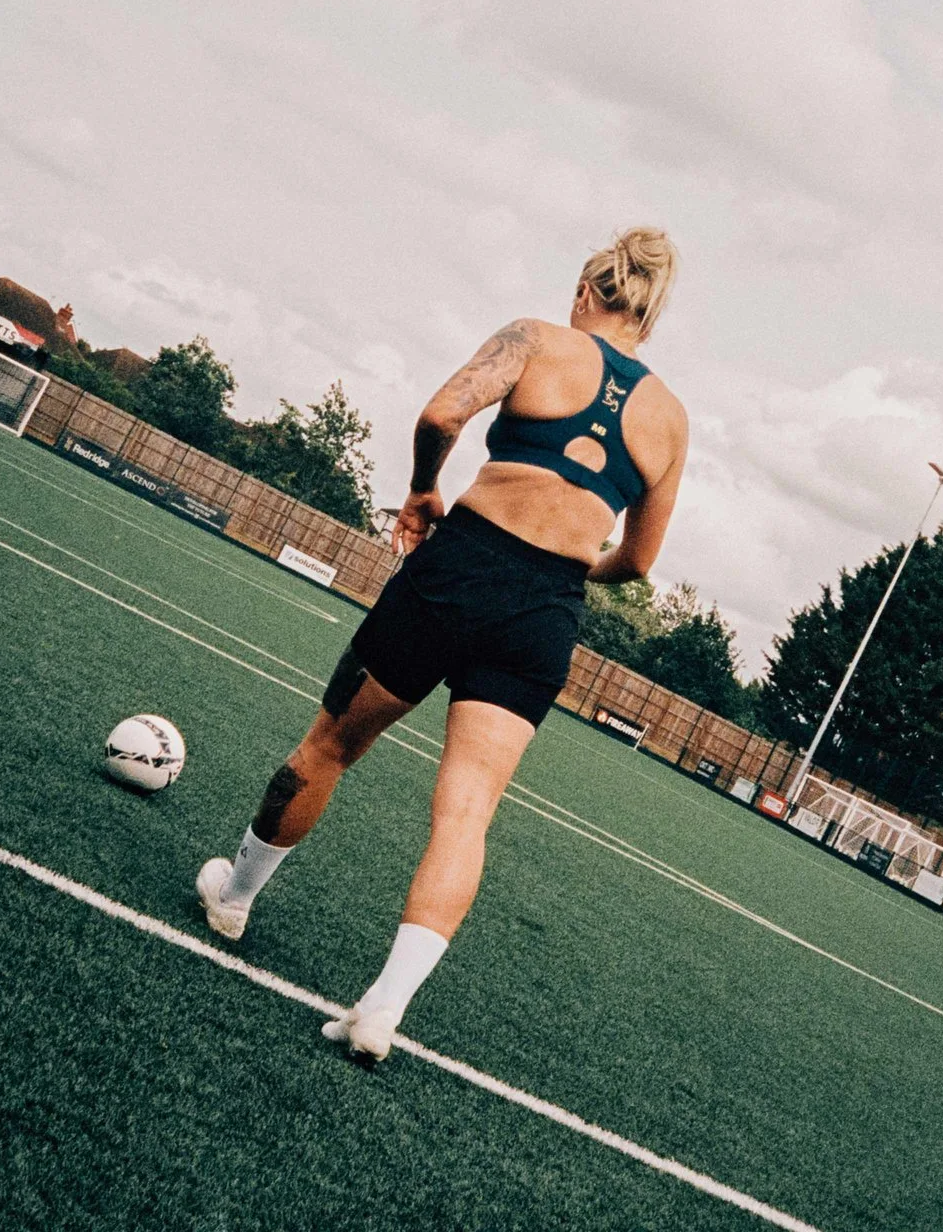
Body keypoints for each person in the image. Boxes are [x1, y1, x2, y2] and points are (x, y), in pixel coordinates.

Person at [194, 228, 689, 1061]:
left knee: (331, 744)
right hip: (543, 614)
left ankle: (233, 898)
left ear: (585, 288)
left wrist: (424, 490)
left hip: (461, 567)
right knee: (466, 815)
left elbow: (441, 413)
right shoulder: (672, 420)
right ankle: (382, 1010)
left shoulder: (536, 339)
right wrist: (571, 572)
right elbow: (638, 560)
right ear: (651, 312)